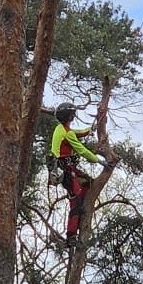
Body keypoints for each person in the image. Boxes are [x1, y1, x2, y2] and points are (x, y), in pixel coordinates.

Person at [51, 102, 100, 248]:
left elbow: (76, 133)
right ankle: (71, 236)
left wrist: (89, 130)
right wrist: (98, 160)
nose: (74, 116)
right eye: (72, 114)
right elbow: (81, 150)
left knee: (87, 182)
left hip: (66, 167)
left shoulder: (61, 128)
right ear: (68, 115)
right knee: (75, 199)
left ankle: (83, 208)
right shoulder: (66, 132)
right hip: (65, 169)